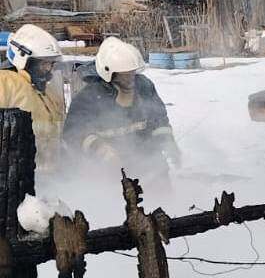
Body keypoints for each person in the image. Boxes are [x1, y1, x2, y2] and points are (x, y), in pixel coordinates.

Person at [63, 37, 180, 182]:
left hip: (151, 170)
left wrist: (168, 142)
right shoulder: (88, 98)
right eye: (124, 75)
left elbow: (159, 119)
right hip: (109, 177)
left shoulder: (144, 87)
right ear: (108, 74)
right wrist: (100, 150)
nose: (130, 79)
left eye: (132, 73)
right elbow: (73, 133)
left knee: (161, 201)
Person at [0, 24, 66, 170]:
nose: (49, 69)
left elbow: (57, 138)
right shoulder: (6, 83)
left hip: (49, 181)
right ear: (24, 58)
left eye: (51, 63)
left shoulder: (50, 94)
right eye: (43, 64)